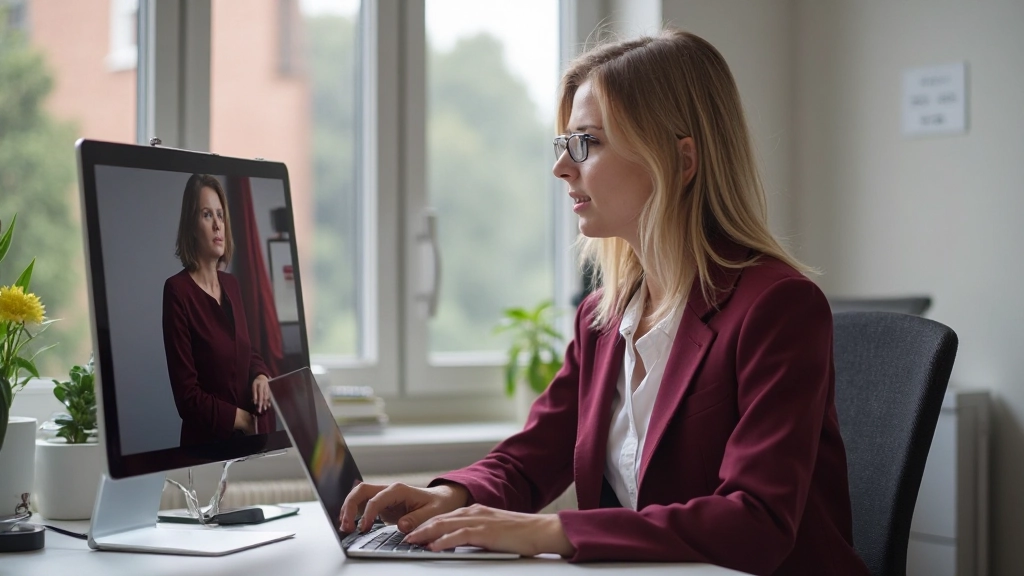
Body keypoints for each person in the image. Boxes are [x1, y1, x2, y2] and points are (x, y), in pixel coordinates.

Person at [340, 29, 870, 575]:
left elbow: (755, 520)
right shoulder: (603, 317)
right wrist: (452, 496)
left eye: (587, 143)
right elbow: (531, 457)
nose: (562, 167)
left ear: (681, 159)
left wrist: (550, 530)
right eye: (564, 144)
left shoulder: (778, 307)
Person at [162, 174, 274, 447]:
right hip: (205, 449)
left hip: (248, 445)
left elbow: (248, 351)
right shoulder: (177, 291)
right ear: (191, 225)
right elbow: (187, 398)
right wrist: (246, 421)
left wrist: (261, 375)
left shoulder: (231, 285)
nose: (217, 225)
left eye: (220, 215)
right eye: (206, 214)